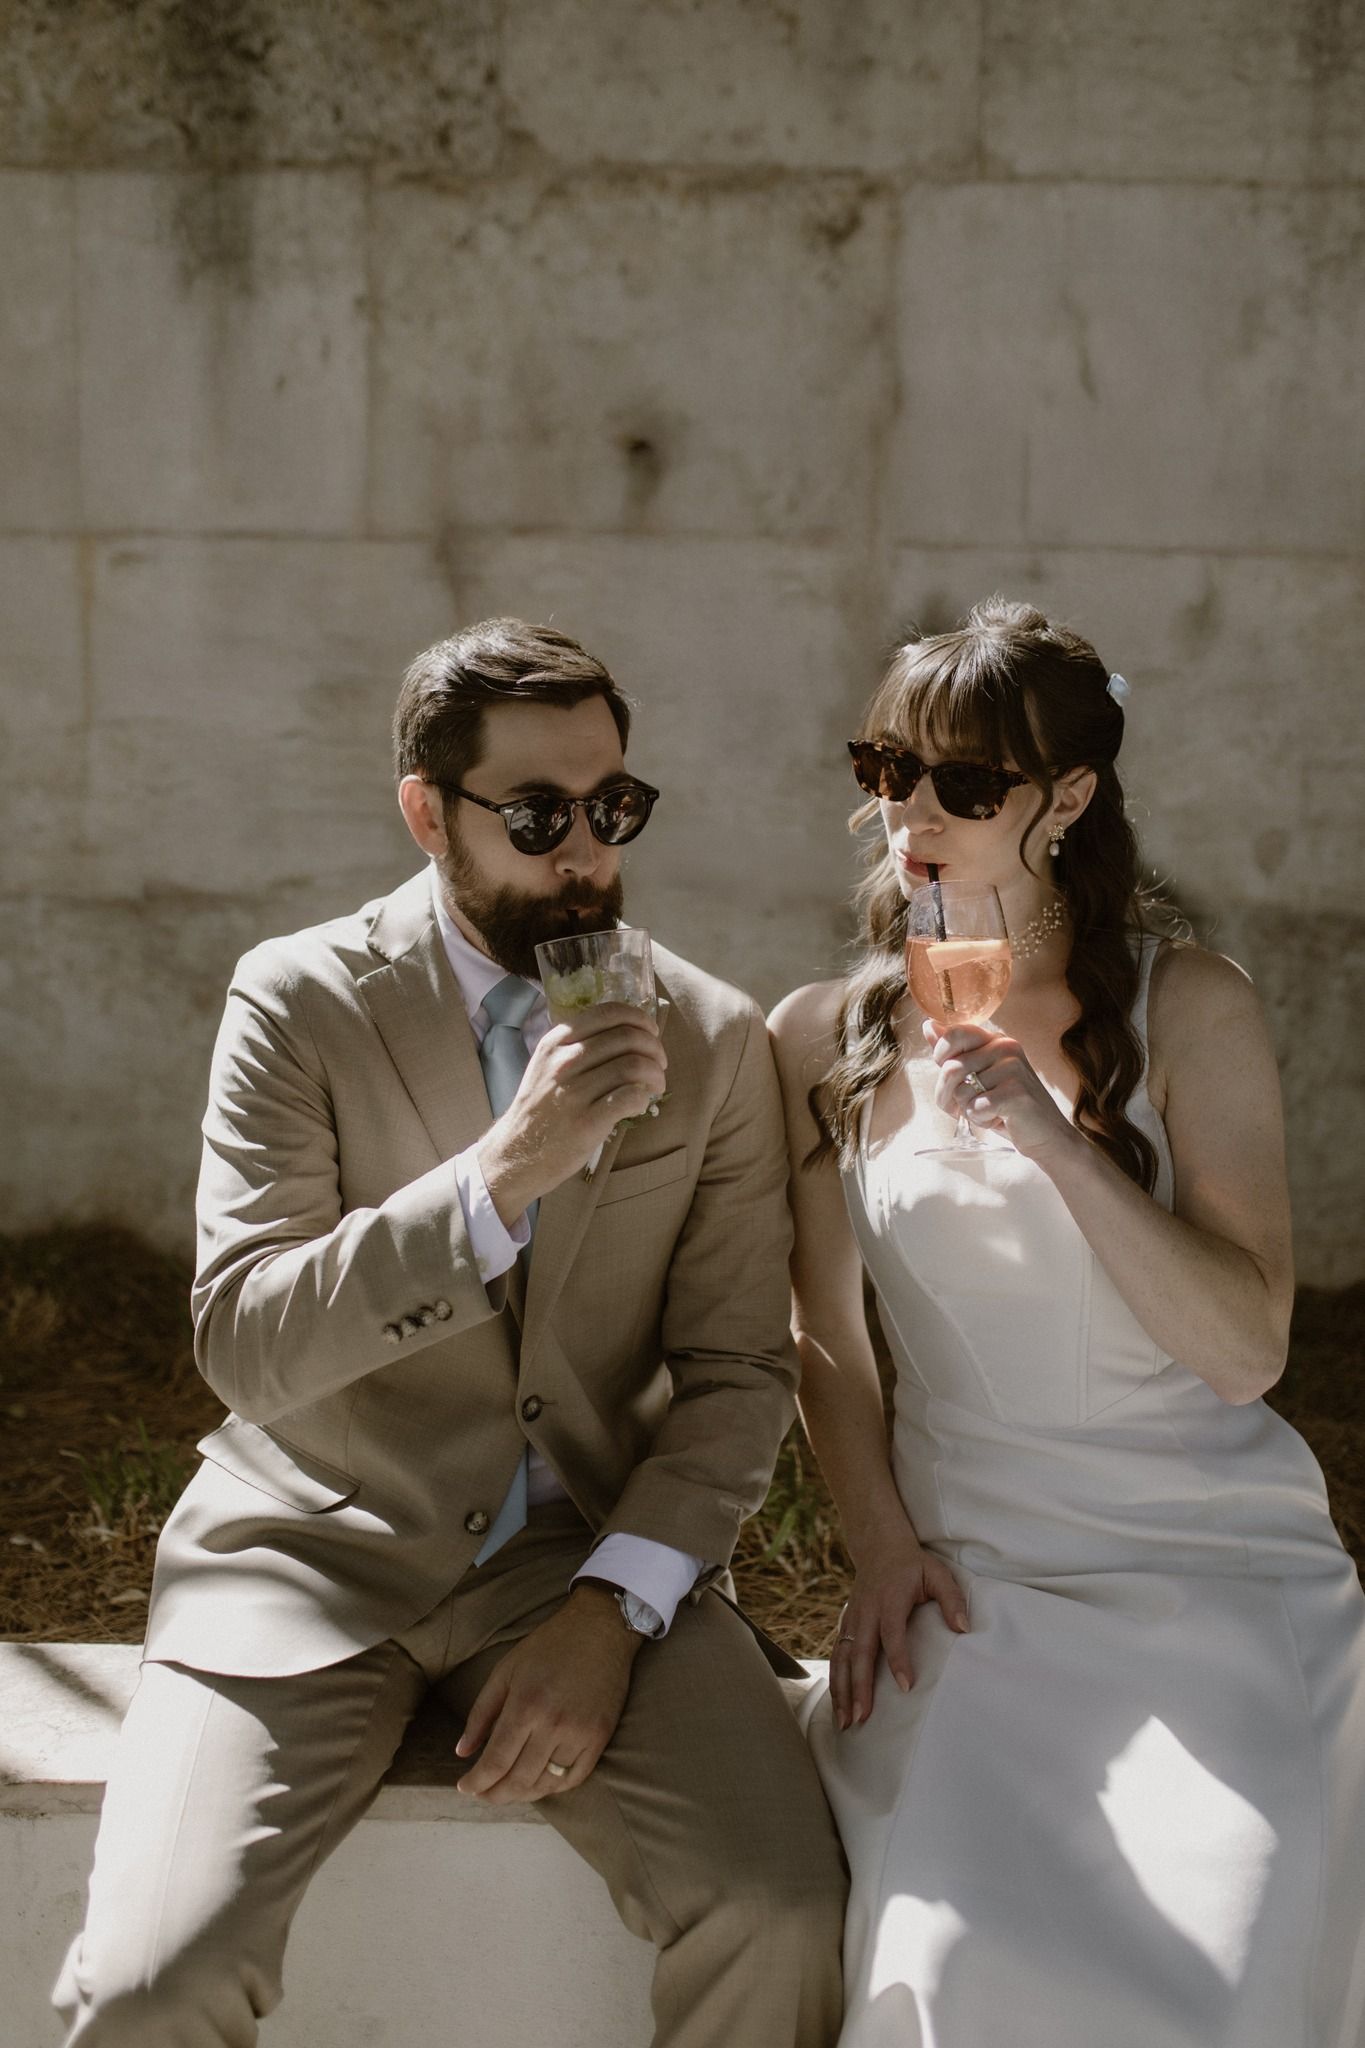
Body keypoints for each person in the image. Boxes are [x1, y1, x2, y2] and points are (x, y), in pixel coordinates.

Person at [56, 618, 846, 2048]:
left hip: (579, 1556)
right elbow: (245, 1340)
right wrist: (503, 1175)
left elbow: (738, 1375)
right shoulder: (299, 1002)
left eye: (613, 808)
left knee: (779, 1911)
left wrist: (613, 1612)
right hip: (305, 1557)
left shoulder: (716, 1040)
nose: (587, 855)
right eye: (537, 815)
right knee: (149, 1985)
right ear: (430, 813)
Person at [769, 598, 1365, 2048]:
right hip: (978, 1585)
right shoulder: (818, 1034)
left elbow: (1245, 1351)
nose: (910, 812)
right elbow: (825, 1344)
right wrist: (882, 1547)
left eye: (962, 784)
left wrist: (1054, 1141)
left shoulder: (1191, 1007)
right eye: (885, 769)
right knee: (961, 1968)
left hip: (1209, 1572)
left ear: (1068, 799)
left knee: (1220, 1958)